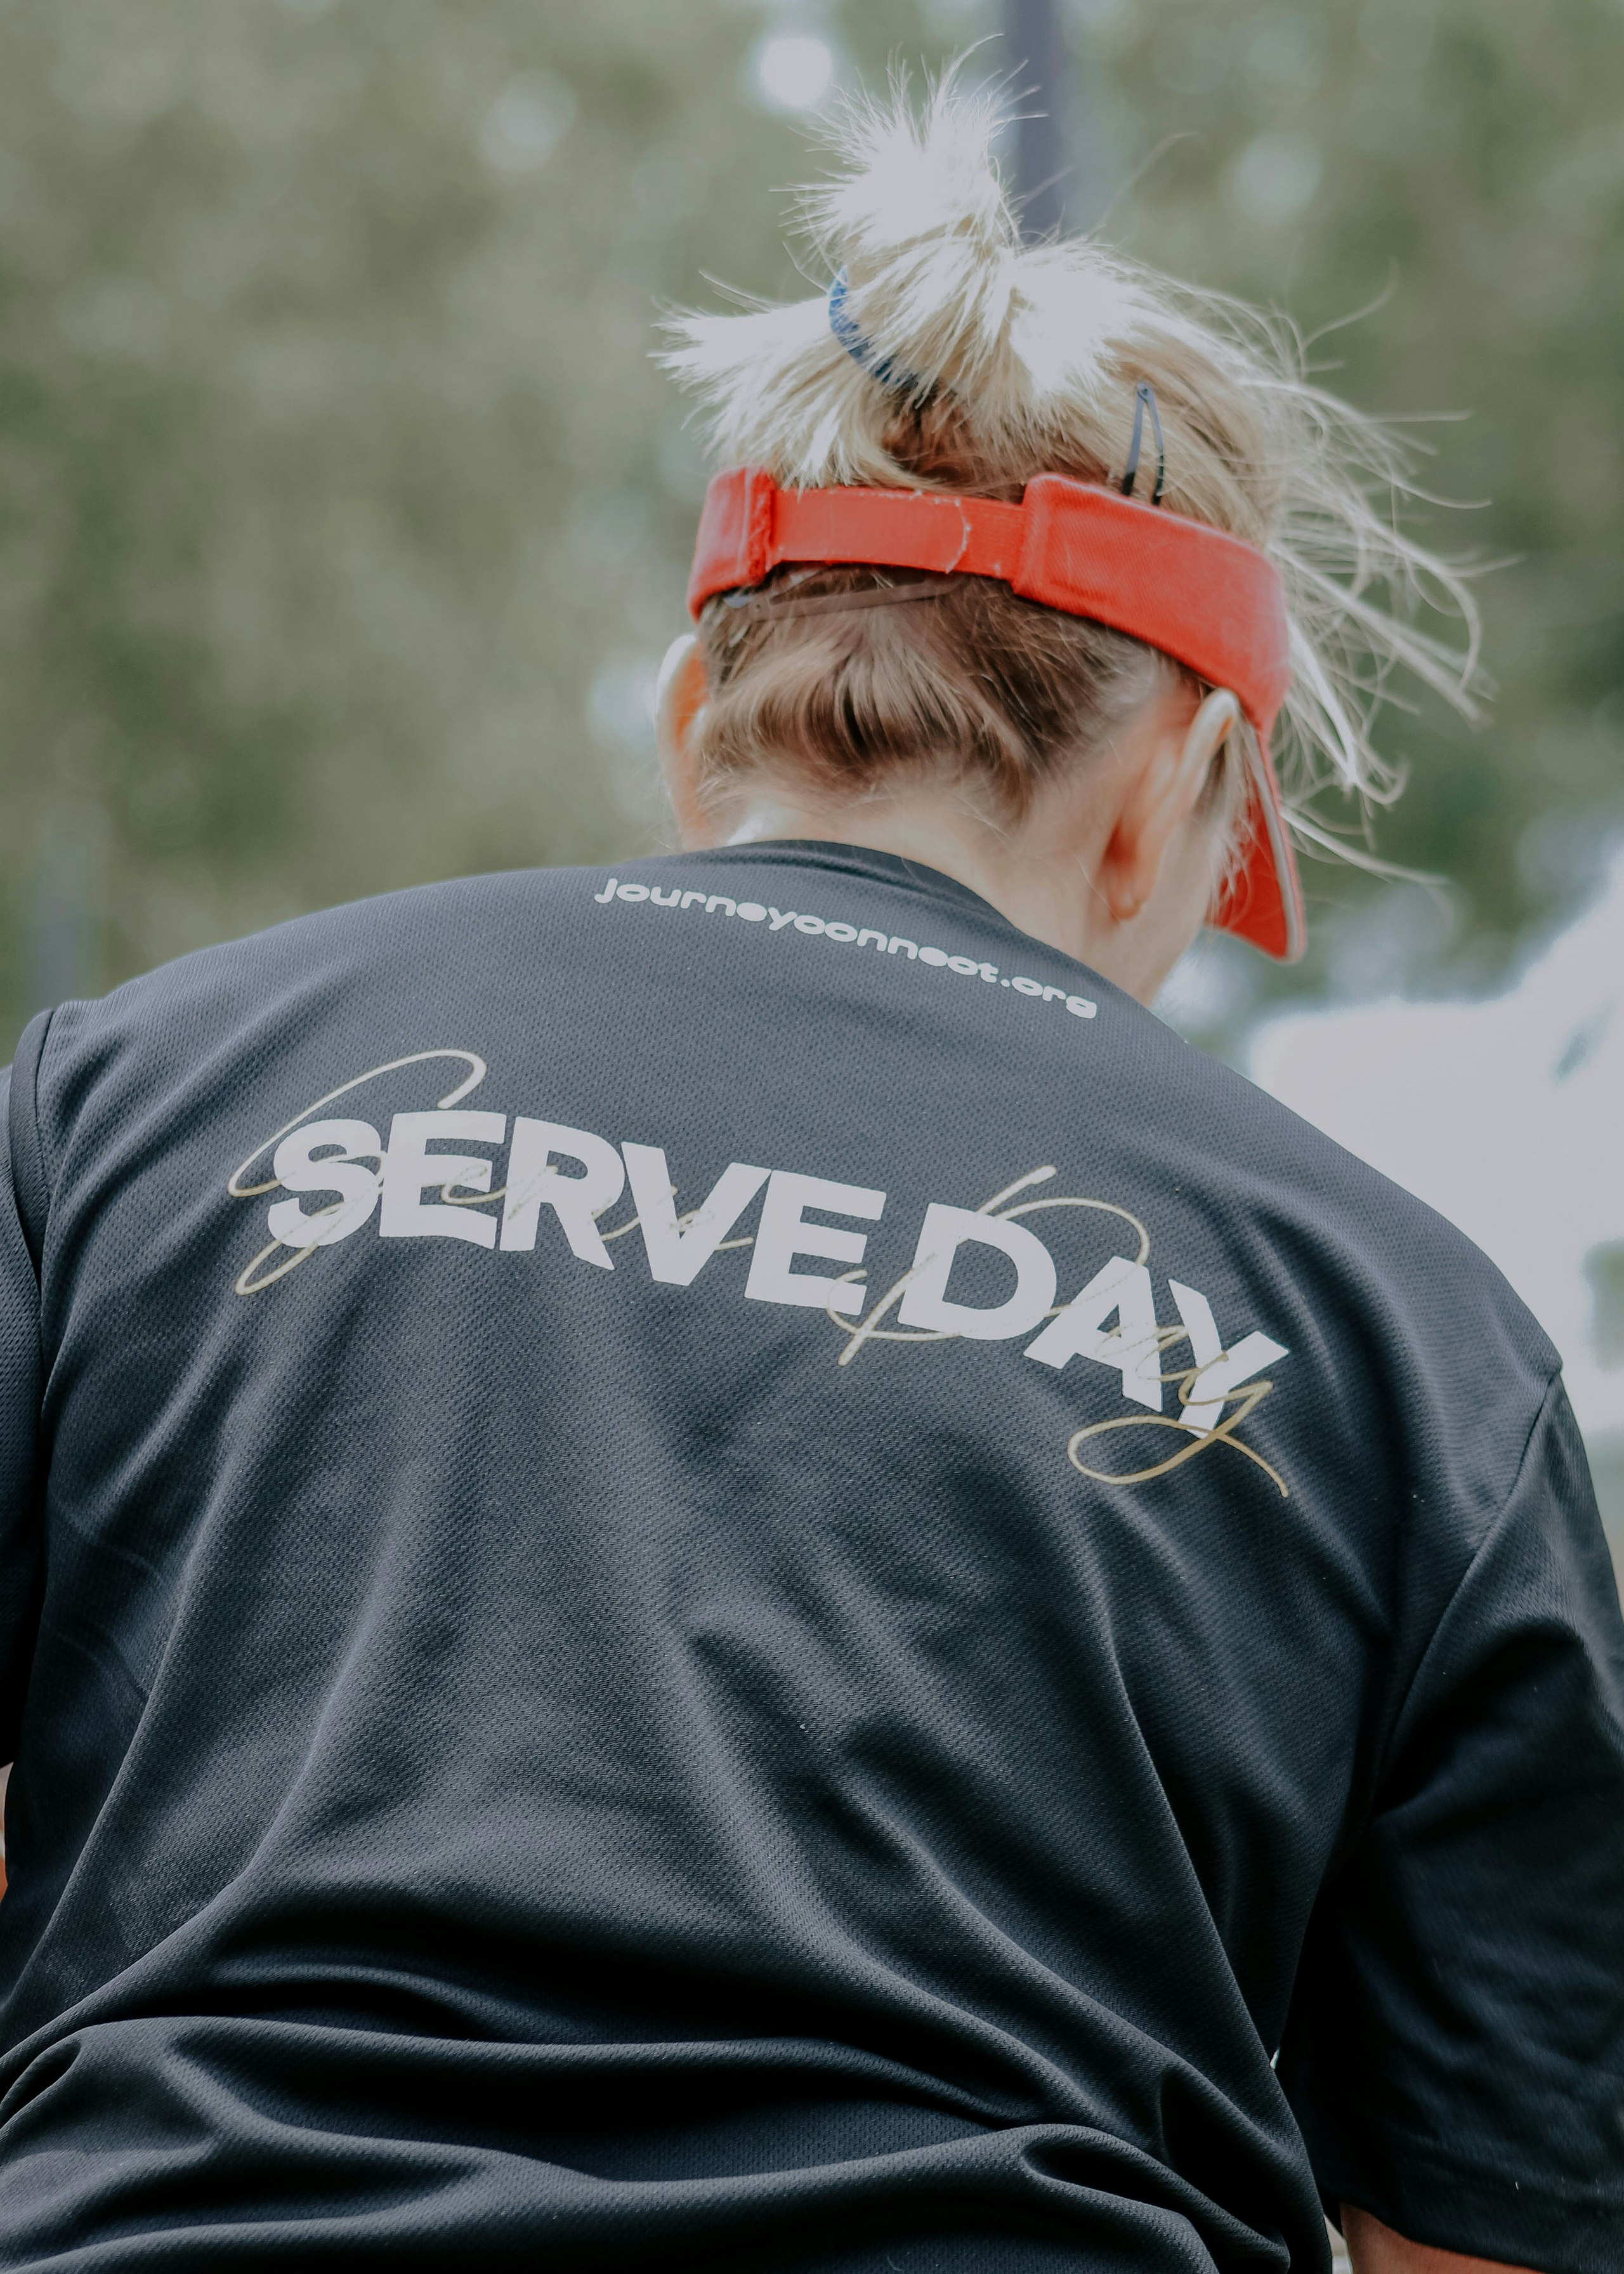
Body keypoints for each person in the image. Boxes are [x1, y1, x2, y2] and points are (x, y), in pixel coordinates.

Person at [0, 76, 1617, 2274]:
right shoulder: (1408, 1343)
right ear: (1183, 790)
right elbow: (1487, 2233)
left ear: (698, 718)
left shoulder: (134, 1096)